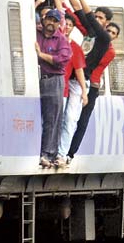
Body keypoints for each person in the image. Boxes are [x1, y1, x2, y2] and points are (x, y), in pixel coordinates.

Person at [60, 0, 118, 163]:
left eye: (101, 18)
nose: (98, 20)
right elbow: (77, 10)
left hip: (88, 83)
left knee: (77, 119)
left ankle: (69, 154)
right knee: (65, 116)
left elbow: (87, 14)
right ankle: (61, 151)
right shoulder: (91, 33)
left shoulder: (104, 39)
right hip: (73, 77)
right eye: (98, 17)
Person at [35, 9, 71, 168]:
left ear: (58, 23)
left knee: (52, 119)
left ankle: (47, 154)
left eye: (54, 20)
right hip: (36, 79)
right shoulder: (35, 32)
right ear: (44, 20)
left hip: (53, 80)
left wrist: (40, 55)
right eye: (49, 19)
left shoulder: (61, 39)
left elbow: (61, 60)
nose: (51, 23)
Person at [56, 13, 88, 168]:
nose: (66, 26)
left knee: (69, 120)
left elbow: (79, 69)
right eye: (64, 23)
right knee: (54, 121)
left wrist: (84, 91)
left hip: (64, 88)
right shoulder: (52, 40)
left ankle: (61, 154)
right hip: (53, 87)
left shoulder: (74, 46)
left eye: (70, 24)